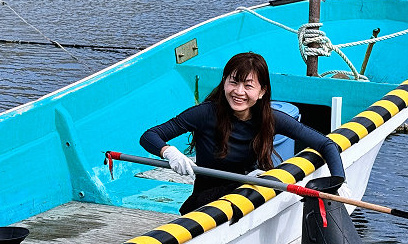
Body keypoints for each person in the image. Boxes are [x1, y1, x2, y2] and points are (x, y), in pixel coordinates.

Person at [140, 52, 346, 215]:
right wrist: (168, 151)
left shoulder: (271, 119)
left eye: (248, 86)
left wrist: (338, 181)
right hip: (206, 202)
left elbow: (326, 144)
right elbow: (149, 136)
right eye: (233, 82)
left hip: (248, 195)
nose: (239, 92)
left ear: (262, 91)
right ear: (224, 82)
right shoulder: (205, 113)